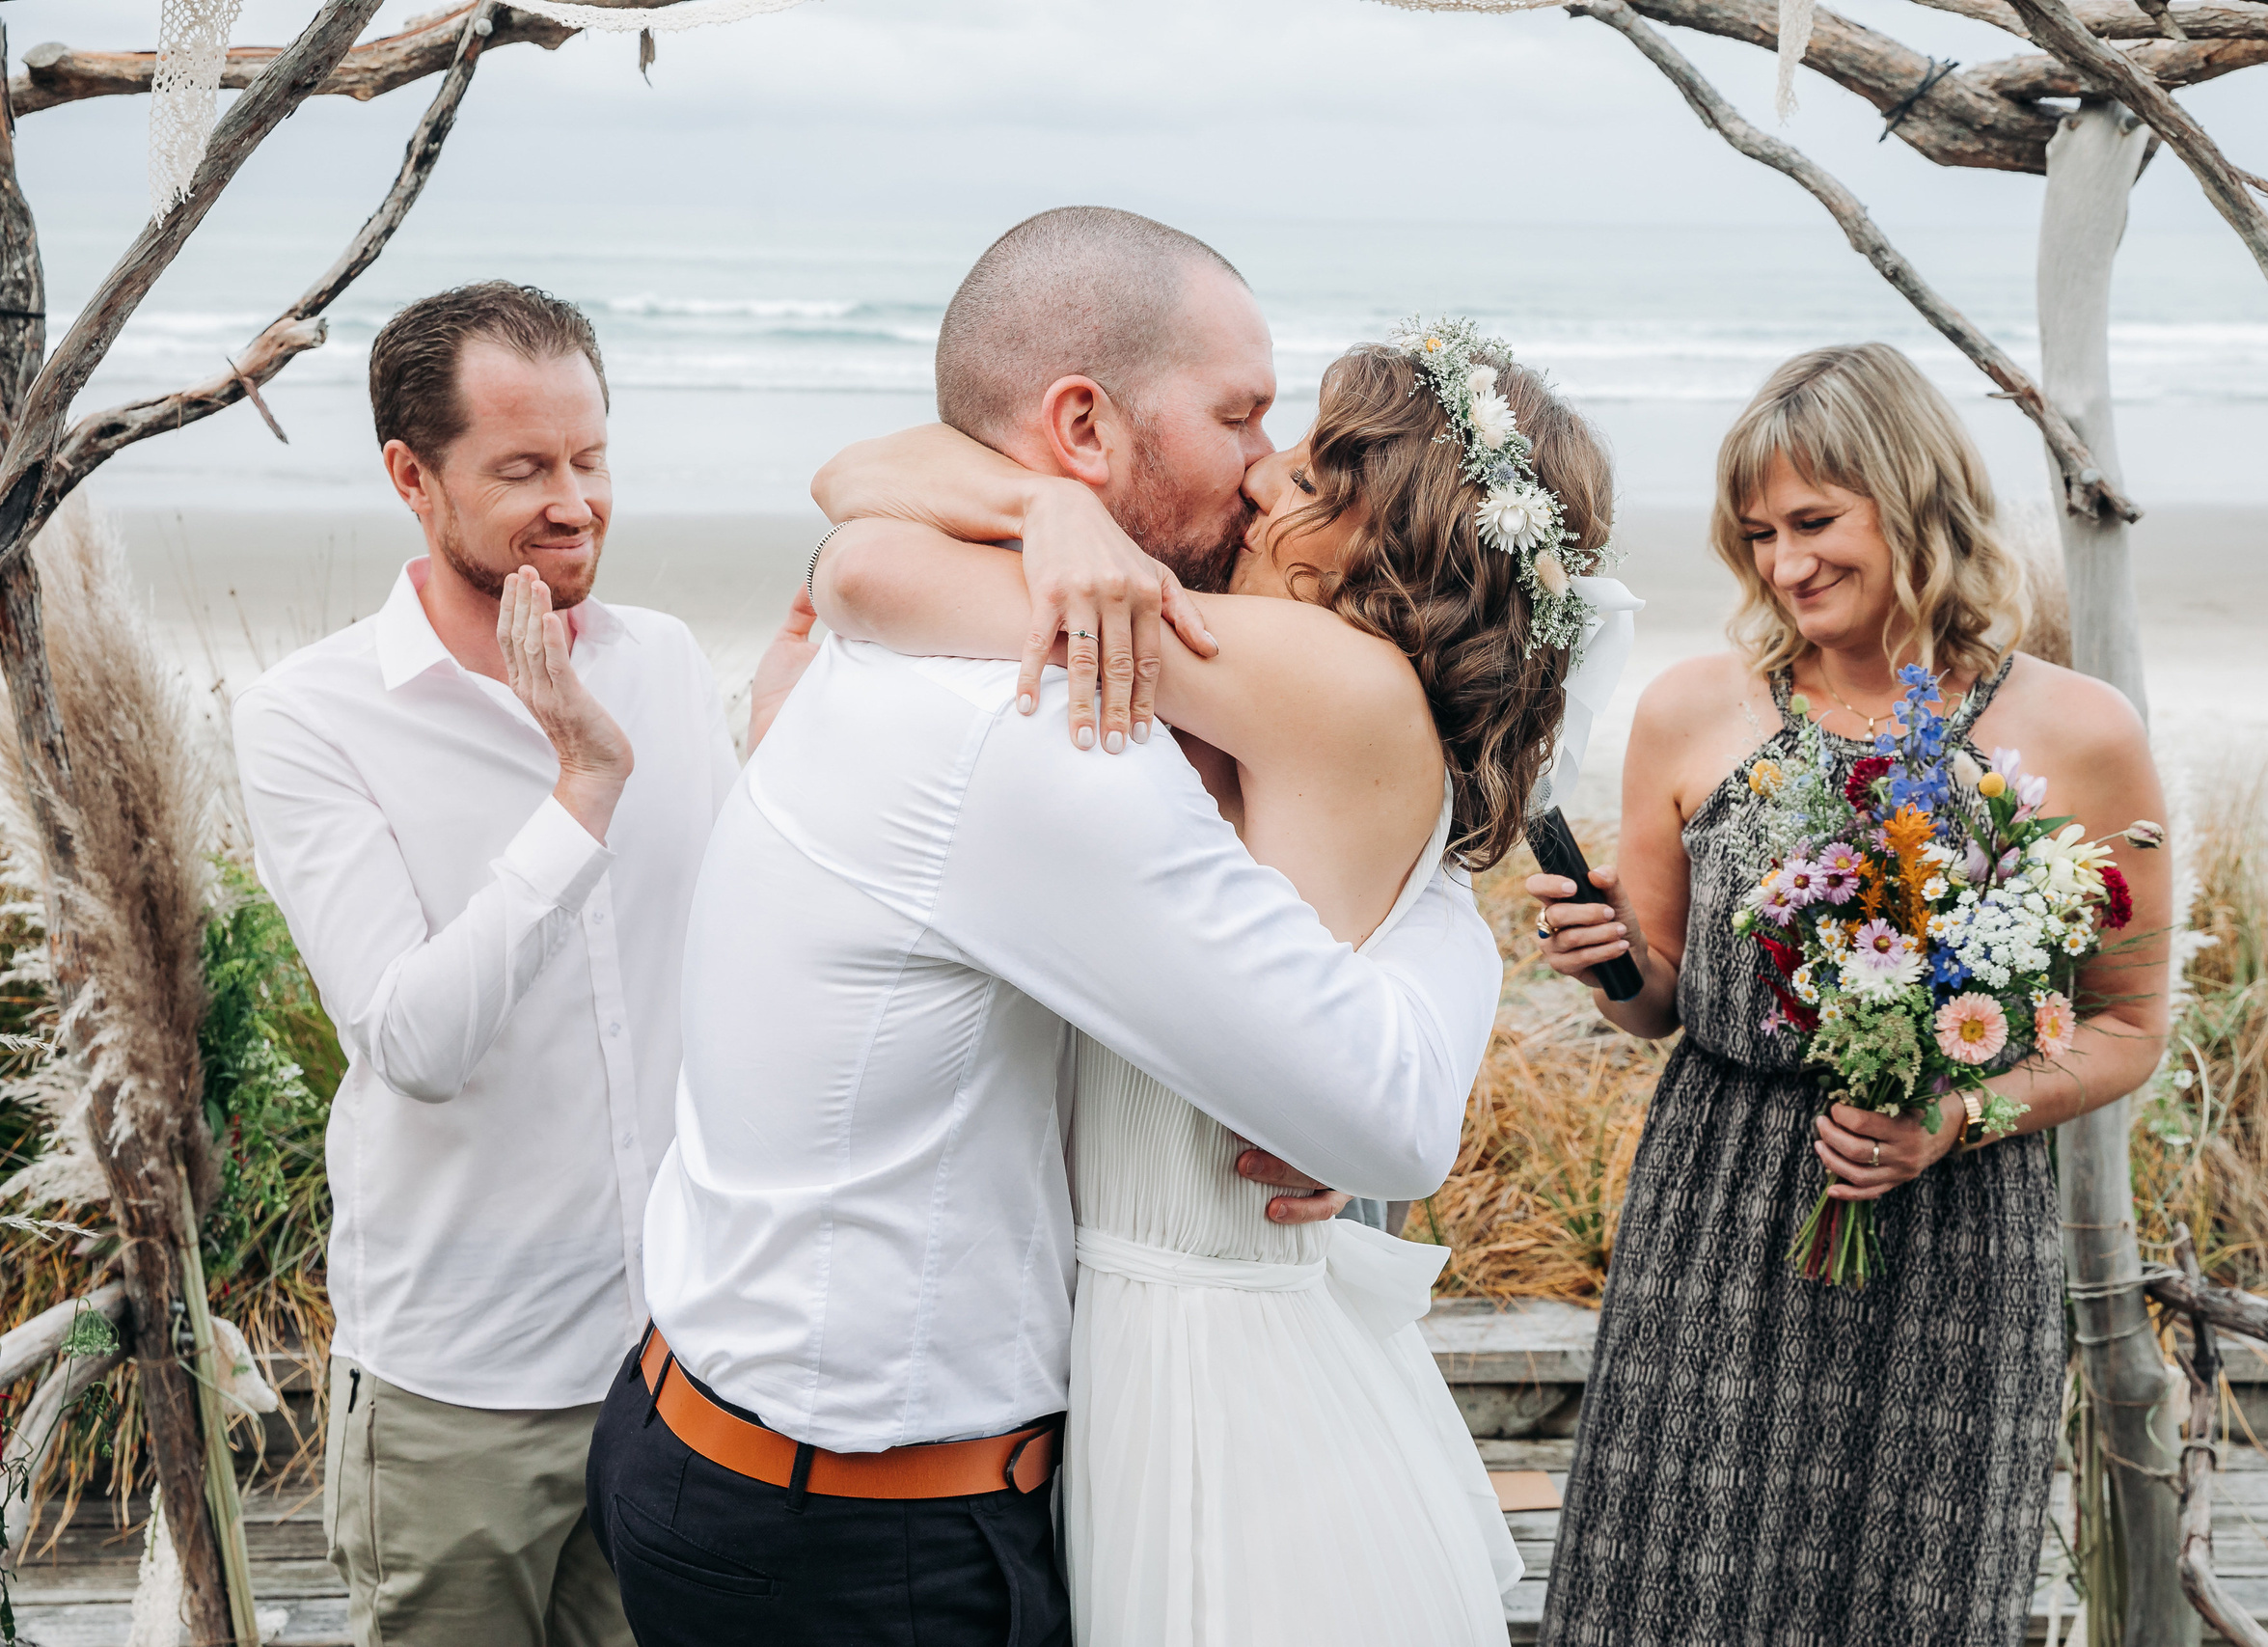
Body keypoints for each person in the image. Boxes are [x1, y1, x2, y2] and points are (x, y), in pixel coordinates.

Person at [584, 208, 1524, 1646]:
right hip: (859, 1549)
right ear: (1083, 427)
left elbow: (858, 534)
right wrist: (1449, 911)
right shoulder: (1046, 730)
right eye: (1239, 413)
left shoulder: (954, 636)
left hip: (749, 1447)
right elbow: (1389, 1119)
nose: (1266, 464)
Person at [807, 300, 1627, 1642]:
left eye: (1302, 474)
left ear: (1386, 532)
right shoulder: (1344, 698)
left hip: (1208, 1366)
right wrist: (1059, 518)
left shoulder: (1322, 674)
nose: (1256, 477)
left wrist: (1043, 523)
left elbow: (861, 563)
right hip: (1180, 1325)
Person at [1524, 342, 2172, 1647]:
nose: (1784, 565)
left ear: (1916, 502)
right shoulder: (1693, 709)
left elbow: (2127, 1024)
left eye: (1817, 522)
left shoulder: (2078, 730)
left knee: (1910, 1600)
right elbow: (1654, 1004)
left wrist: (1955, 1117)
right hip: (1719, 1207)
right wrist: (1611, 962)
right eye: (1758, 534)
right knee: (1676, 1586)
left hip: (1956, 1222)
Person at [231, 283, 743, 1646]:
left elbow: (750, 956)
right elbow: (415, 1042)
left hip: (683, 1370)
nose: (573, 501)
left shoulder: (672, 665)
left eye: (592, 459)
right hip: (464, 1391)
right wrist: (580, 789)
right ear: (412, 476)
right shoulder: (311, 720)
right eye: (522, 470)